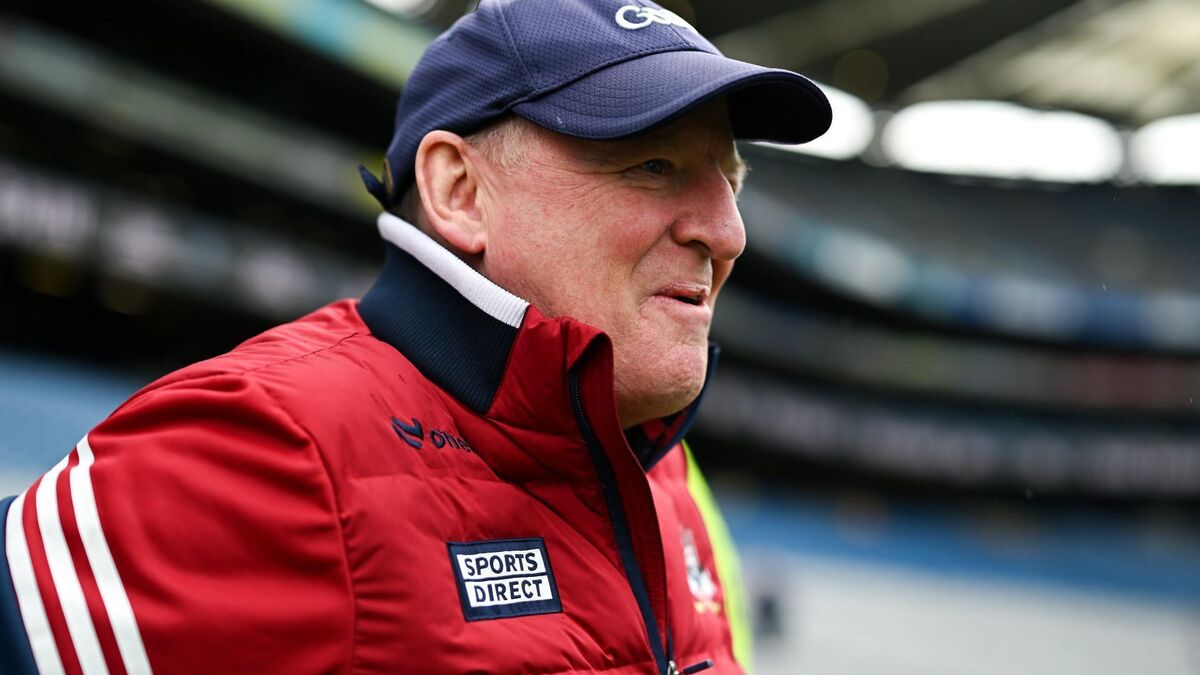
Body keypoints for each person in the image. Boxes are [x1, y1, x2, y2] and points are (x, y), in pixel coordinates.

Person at [0, 0, 829, 672]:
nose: (728, 233)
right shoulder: (272, 441)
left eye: (731, 181)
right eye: (654, 166)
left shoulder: (655, 463)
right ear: (460, 190)